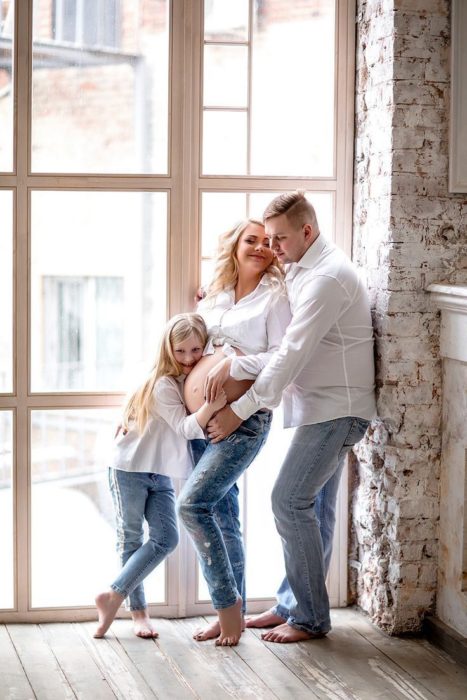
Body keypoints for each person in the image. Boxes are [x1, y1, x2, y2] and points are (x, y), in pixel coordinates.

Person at [205, 191, 376, 643]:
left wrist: (240, 411)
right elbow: (282, 350)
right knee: (314, 509)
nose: (272, 247)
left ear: (308, 230)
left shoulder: (327, 278)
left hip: (337, 410)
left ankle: (311, 619)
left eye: (280, 238)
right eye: (267, 238)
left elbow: (291, 355)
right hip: (319, 407)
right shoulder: (303, 269)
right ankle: (292, 606)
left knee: (287, 501)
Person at [177, 218, 291, 646]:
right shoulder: (216, 293)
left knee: (192, 505)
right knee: (224, 519)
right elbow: (192, 345)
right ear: (235, 245)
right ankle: (234, 614)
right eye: (252, 240)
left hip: (244, 419)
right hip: (200, 424)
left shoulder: (276, 298)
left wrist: (231, 364)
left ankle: (226, 608)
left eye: (267, 242)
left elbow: (282, 358)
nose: (261, 247)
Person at [94, 313, 227, 639]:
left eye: (195, 350)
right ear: (168, 349)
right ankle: (138, 612)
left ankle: (112, 595)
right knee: (131, 537)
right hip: (129, 469)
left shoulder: (185, 378)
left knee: (167, 538)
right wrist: (212, 406)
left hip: (160, 472)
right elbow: (185, 427)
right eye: (180, 351)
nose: (187, 358)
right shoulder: (164, 384)